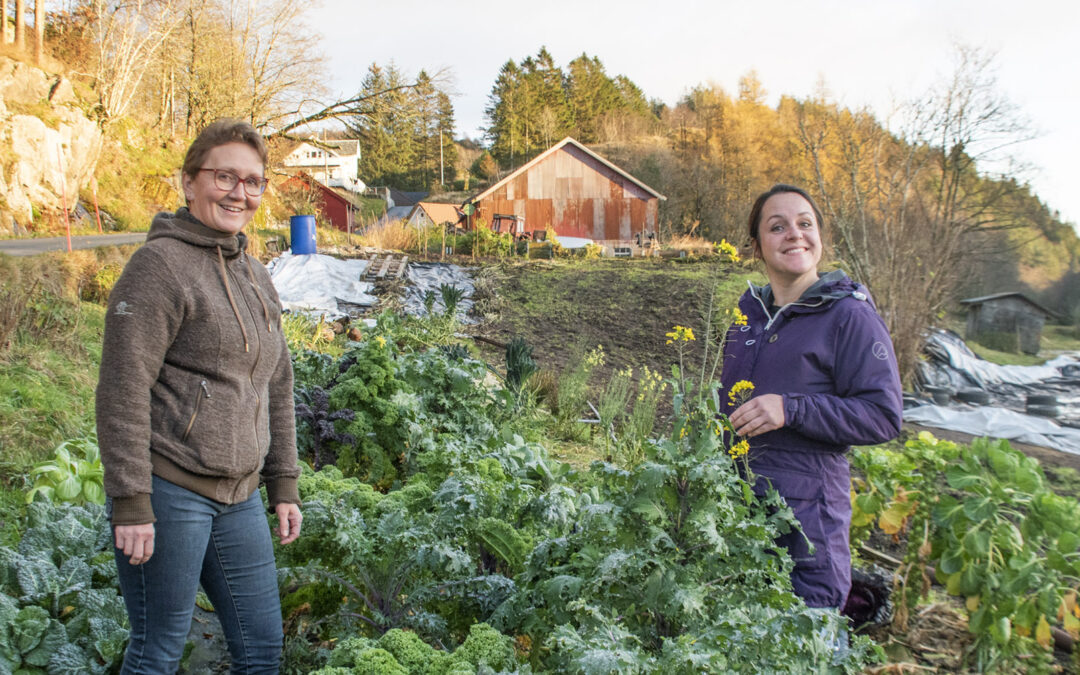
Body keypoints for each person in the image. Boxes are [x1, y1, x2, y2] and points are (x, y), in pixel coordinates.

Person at [96, 119, 301, 673]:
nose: (240, 193)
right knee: (157, 651)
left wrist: (283, 483)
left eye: (253, 182)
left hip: (240, 498)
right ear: (189, 182)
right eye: (224, 177)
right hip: (170, 491)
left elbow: (276, 383)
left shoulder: (256, 274)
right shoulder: (158, 268)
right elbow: (122, 387)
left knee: (262, 651)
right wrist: (131, 502)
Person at [719, 184, 902, 610]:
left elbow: (883, 415)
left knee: (810, 636)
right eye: (777, 226)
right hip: (737, 516)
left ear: (820, 238)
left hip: (807, 524)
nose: (794, 234)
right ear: (757, 247)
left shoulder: (849, 316)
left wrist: (791, 408)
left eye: (805, 224)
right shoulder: (747, 319)